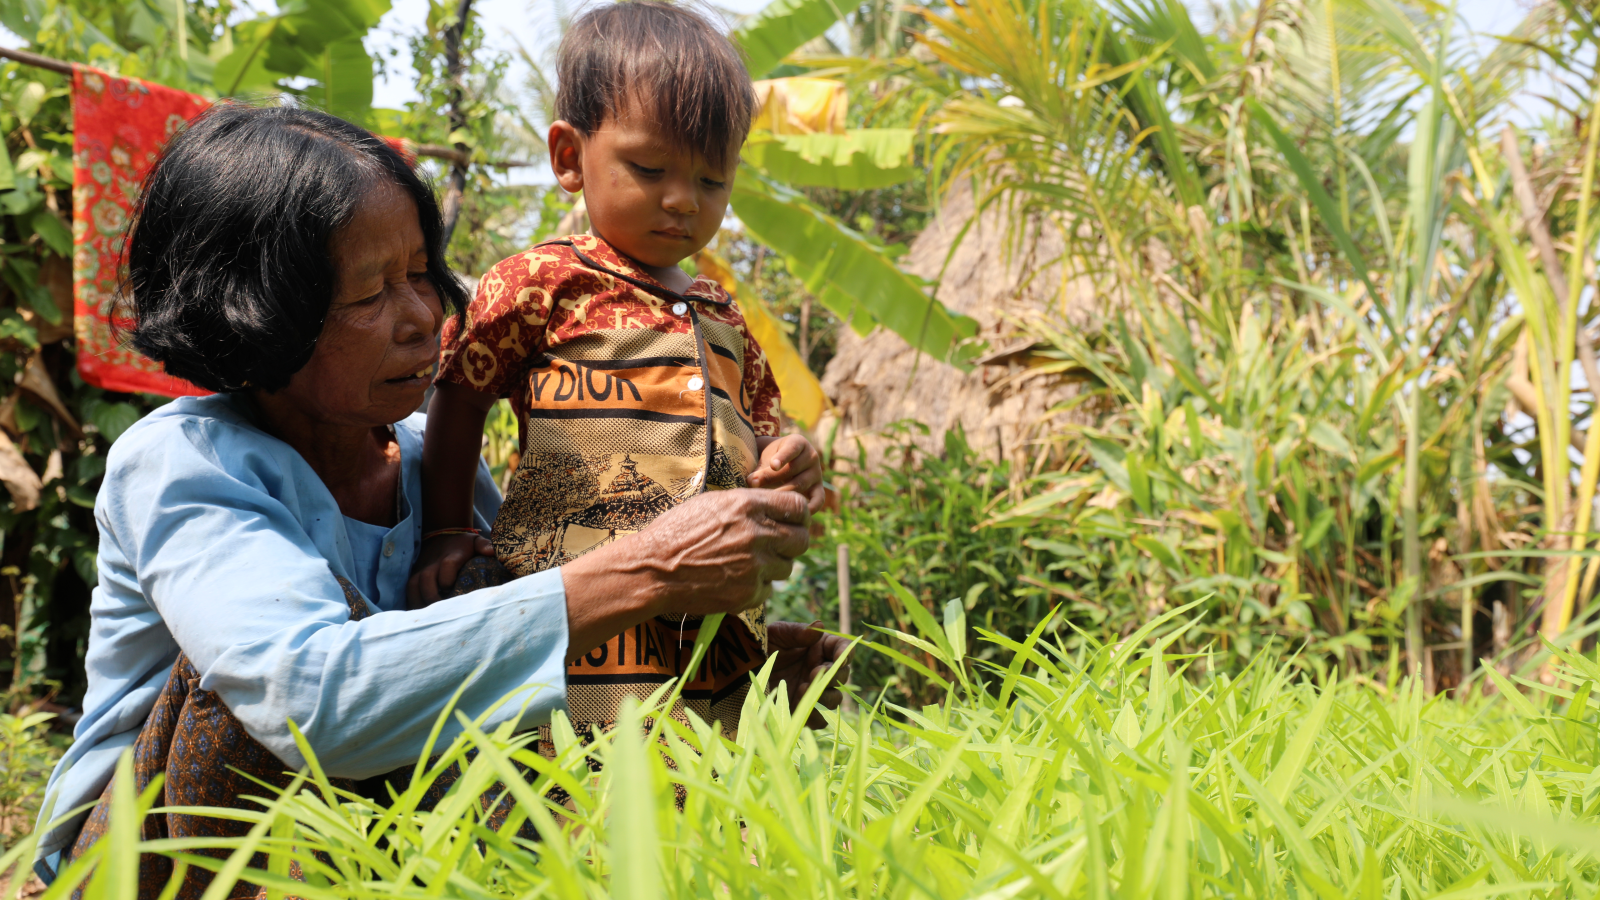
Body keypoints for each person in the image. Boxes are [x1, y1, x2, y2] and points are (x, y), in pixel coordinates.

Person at [32, 103, 848, 897]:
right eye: (371, 293)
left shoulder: (427, 459)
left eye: (421, 273)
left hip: (368, 845)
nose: (425, 316)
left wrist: (702, 637)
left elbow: (517, 633)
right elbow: (314, 705)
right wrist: (652, 570)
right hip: (144, 864)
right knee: (250, 686)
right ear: (258, 315)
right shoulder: (183, 461)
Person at [413, 1, 815, 747]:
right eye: (649, 168)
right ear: (569, 157)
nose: (682, 200)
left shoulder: (724, 315)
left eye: (711, 180)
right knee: (577, 777)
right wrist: (445, 530)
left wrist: (790, 458)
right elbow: (459, 393)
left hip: (715, 620)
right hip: (576, 605)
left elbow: (766, 427)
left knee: (715, 782)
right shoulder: (540, 282)